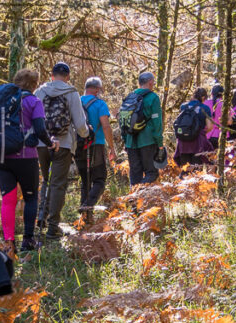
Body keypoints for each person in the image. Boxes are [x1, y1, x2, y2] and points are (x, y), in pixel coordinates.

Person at [0, 68, 55, 254]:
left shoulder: (2, 102)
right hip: (25, 157)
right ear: (34, 85)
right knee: (31, 197)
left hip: (0, 156)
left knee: (8, 199)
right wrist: (51, 144)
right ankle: (28, 240)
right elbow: (40, 129)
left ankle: (9, 243)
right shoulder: (33, 102)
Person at [35, 62, 89, 239]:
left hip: (42, 143)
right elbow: (80, 125)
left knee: (46, 180)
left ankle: (41, 218)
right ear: (67, 77)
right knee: (58, 183)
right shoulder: (71, 92)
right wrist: (86, 133)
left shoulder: (40, 92)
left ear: (51, 75)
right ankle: (53, 228)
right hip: (64, 144)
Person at [75, 77, 115, 213]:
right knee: (99, 180)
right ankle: (86, 206)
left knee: (85, 180)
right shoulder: (100, 104)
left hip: (78, 146)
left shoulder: (76, 102)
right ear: (97, 89)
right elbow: (106, 126)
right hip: (96, 145)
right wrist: (111, 147)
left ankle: (85, 218)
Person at [123, 71, 164, 186]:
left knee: (135, 176)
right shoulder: (153, 98)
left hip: (131, 142)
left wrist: (126, 141)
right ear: (151, 82)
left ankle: (133, 202)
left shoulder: (130, 97)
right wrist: (159, 143)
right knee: (152, 173)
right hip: (148, 141)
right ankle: (141, 196)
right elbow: (157, 123)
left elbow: (123, 122)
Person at [174, 87, 214, 170]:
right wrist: (202, 133)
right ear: (203, 97)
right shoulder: (205, 108)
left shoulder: (183, 106)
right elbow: (210, 126)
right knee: (196, 169)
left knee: (185, 168)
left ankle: (183, 182)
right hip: (197, 142)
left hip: (182, 142)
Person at [205, 84, 223, 150]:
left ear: (212, 93)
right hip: (221, 135)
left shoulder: (205, 103)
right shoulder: (224, 104)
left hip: (207, 135)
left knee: (208, 157)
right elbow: (231, 119)